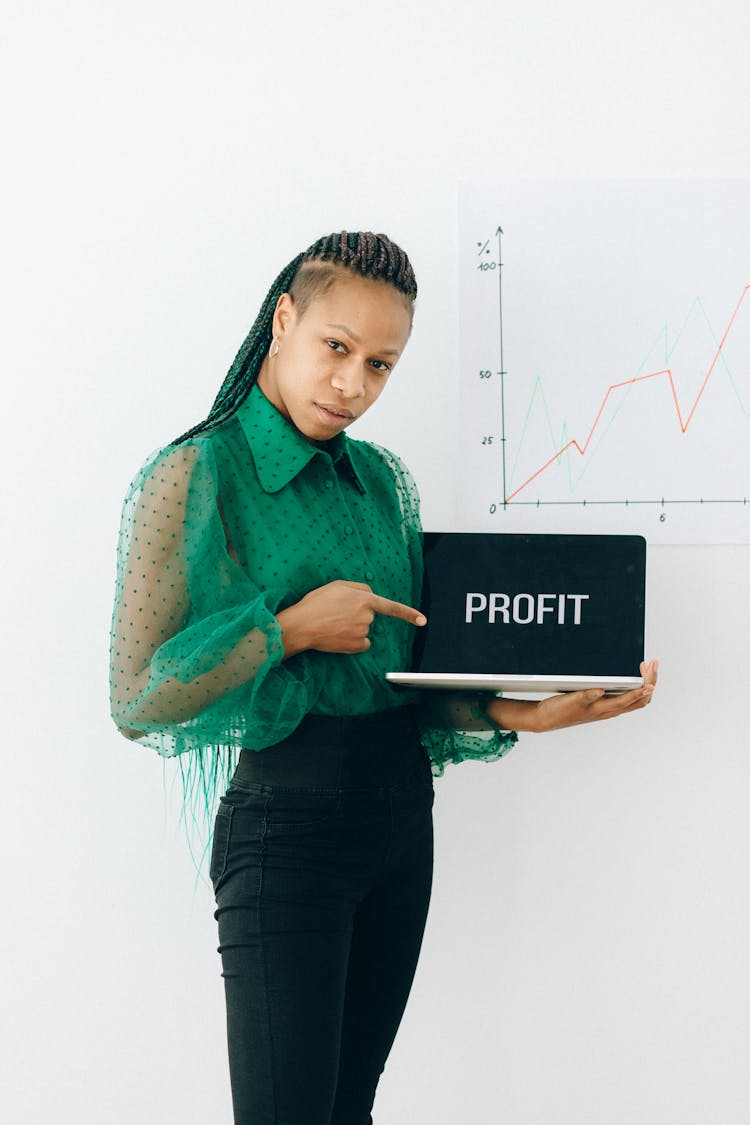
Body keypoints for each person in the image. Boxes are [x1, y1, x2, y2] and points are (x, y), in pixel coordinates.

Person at [109, 230, 658, 1124]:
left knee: (350, 1110)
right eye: (337, 348)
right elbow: (136, 697)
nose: (352, 385)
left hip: (401, 822)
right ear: (284, 320)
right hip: (286, 833)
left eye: (381, 364)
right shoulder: (194, 474)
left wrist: (527, 712)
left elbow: (412, 678)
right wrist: (287, 629)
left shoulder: (383, 481)